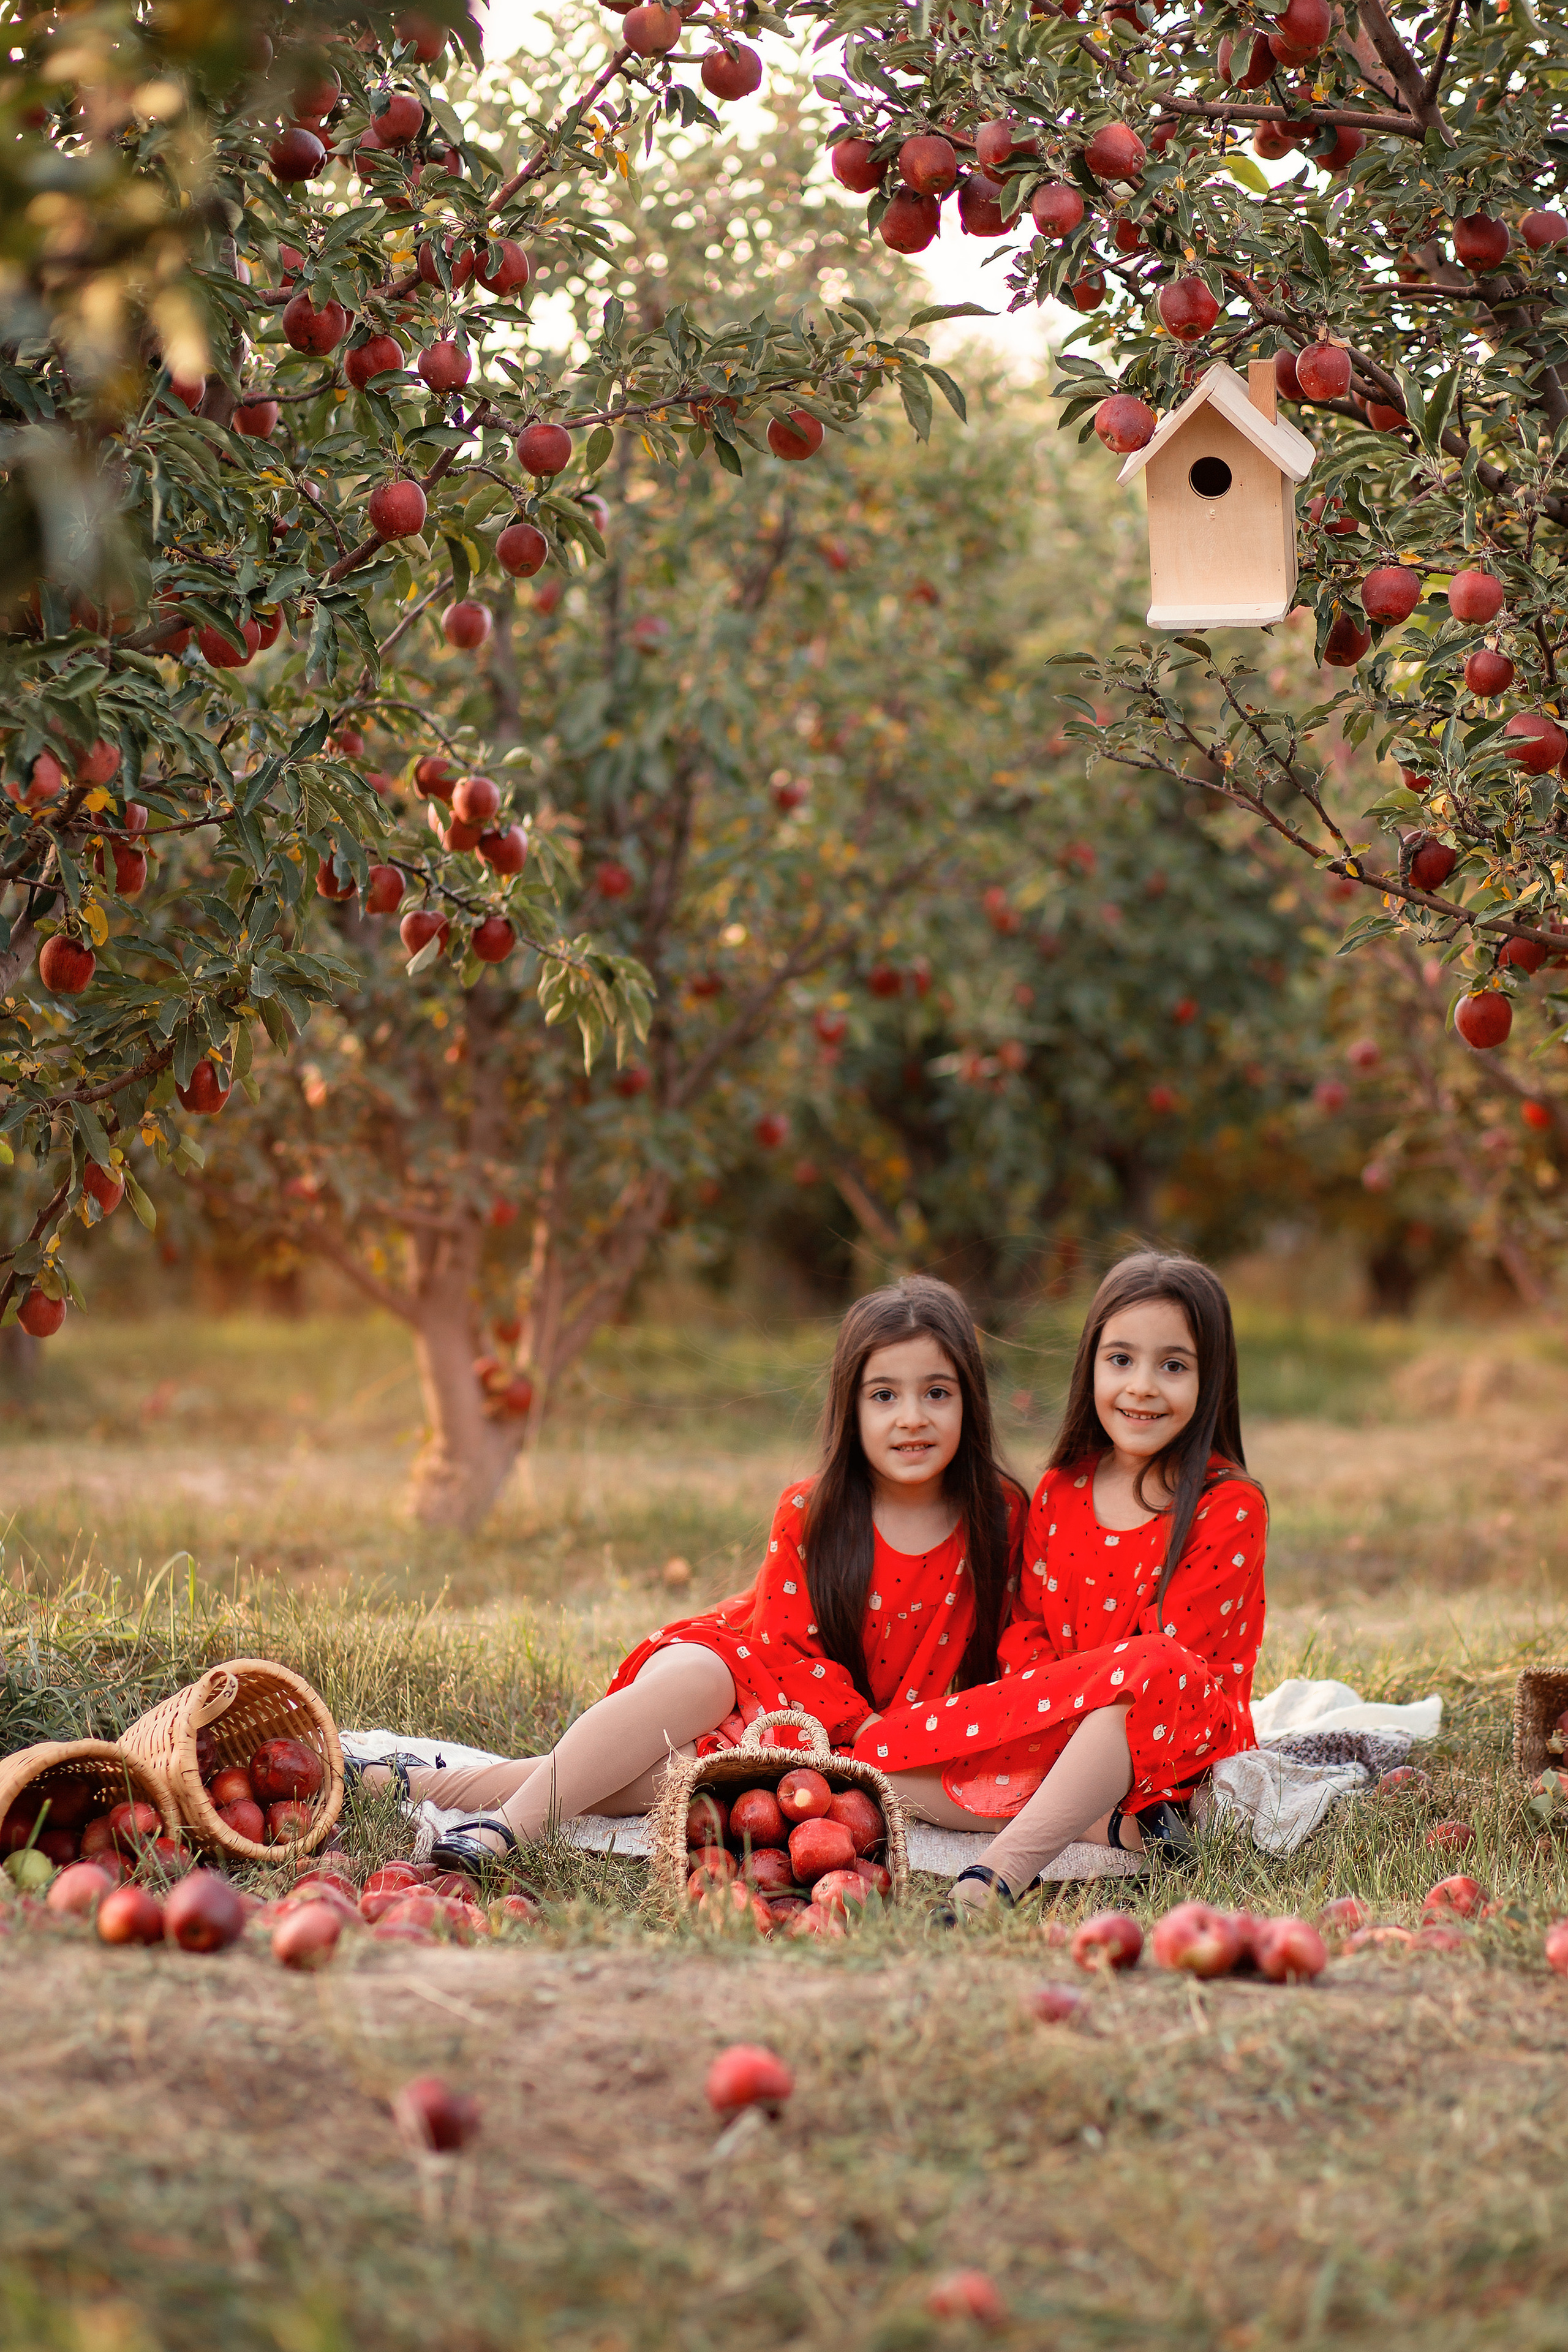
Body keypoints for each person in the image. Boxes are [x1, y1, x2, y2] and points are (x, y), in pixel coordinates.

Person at [348, 1273, 1027, 1875]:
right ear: (851, 1408)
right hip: (761, 1676)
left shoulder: (1000, 1518)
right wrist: (841, 1743)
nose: (912, 1418)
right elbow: (780, 1653)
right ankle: (510, 1829)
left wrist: (872, 1749)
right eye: (885, 1396)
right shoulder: (812, 1512)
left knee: (673, 1780)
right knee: (699, 1684)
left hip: (860, 1741)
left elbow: (1008, 1652)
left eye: (936, 1393)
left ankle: (409, 1784)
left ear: (970, 1402)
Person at [857, 1250, 1267, 1916]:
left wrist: (1079, 1718)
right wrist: (1050, 1721)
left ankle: (997, 1873)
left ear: (1210, 1378)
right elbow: (1028, 1631)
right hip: (1054, 1718)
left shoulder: (1229, 1506)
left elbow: (1178, 1664)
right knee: (884, 1751)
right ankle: (1096, 1823)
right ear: (1092, 1366)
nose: (1141, 1386)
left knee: (1153, 1664)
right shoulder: (1060, 1488)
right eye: (1121, 1360)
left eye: (1173, 1365)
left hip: (1172, 1744)